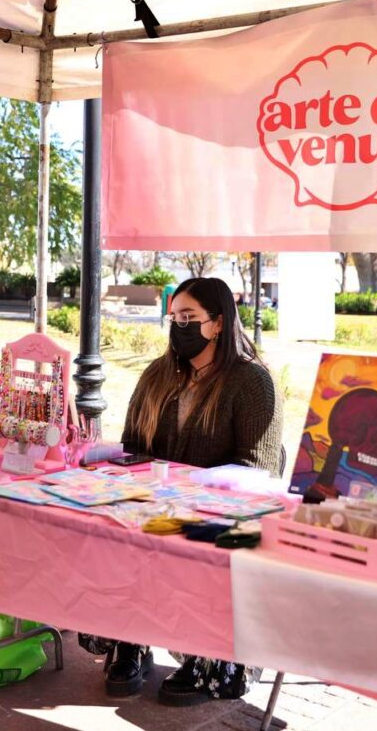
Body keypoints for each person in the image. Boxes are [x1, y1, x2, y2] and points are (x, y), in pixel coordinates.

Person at [80, 277, 284, 706]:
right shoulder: (158, 374)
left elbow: (259, 469)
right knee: (112, 536)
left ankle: (205, 660)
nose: (180, 328)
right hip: (155, 506)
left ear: (219, 324)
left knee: (193, 550)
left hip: (220, 516)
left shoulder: (251, 382)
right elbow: (133, 447)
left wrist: (194, 487)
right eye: (174, 318)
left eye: (190, 318)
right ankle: (128, 641)